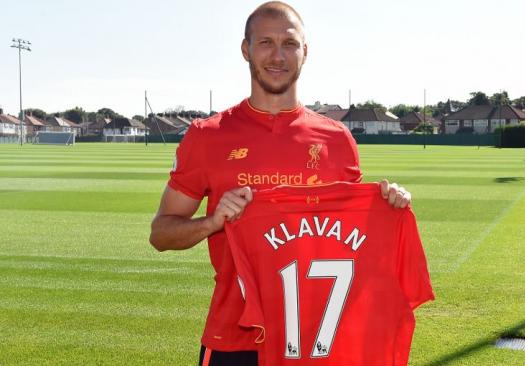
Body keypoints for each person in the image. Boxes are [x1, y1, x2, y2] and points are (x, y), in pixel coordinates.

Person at [149, 2, 412, 365]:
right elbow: (161, 234)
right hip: (235, 340)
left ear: (306, 52)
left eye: (289, 44)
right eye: (265, 43)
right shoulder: (207, 136)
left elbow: (352, 243)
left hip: (316, 340)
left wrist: (387, 205)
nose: (278, 56)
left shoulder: (336, 140)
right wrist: (213, 223)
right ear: (246, 50)